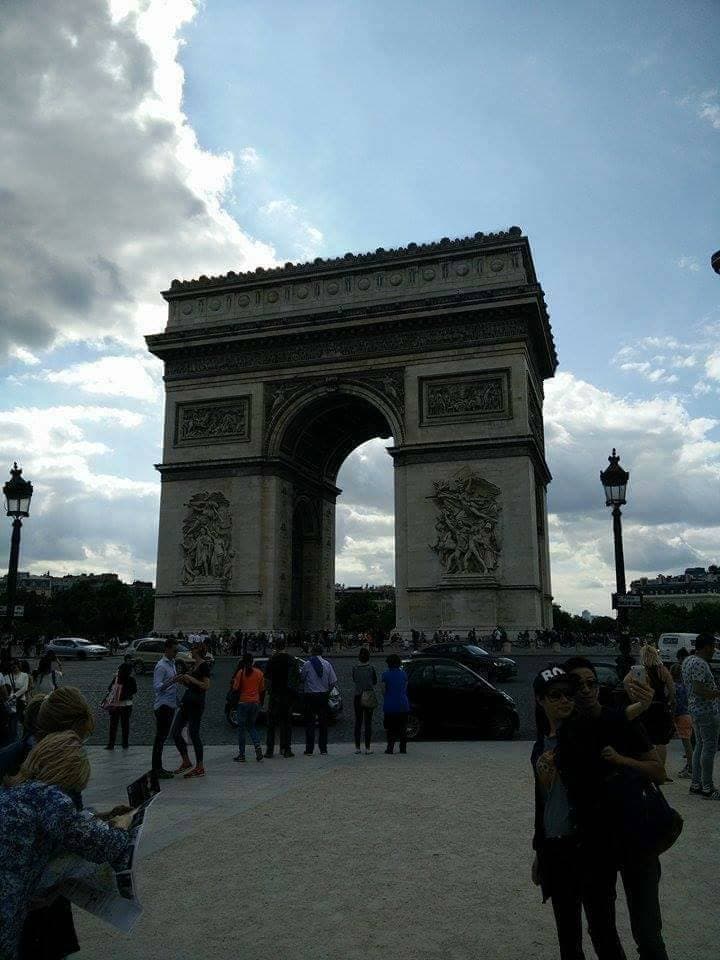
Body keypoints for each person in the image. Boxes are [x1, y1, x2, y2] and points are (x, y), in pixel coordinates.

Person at [558, 656, 669, 960]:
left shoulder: (621, 721)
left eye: (591, 683)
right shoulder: (566, 731)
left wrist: (623, 761)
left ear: (598, 686)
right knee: (602, 931)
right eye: (577, 684)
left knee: (647, 933)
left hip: (634, 834)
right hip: (593, 841)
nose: (585, 689)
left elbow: (659, 772)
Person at [0, 731, 132, 960]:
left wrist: (99, 817)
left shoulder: (16, 790)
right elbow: (108, 846)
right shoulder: (50, 798)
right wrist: (122, 825)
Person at [531, 665, 624, 960]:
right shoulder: (539, 747)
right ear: (540, 700)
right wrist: (540, 850)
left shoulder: (587, 735)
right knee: (568, 939)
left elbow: (612, 721)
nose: (564, 700)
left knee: (604, 933)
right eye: (555, 695)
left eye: (569, 694)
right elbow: (545, 803)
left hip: (591, 848)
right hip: (556, 851)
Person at [623, 643, 675, 775]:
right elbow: (672, 688)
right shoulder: (662, 670)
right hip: (661, 708)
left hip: (645, 708)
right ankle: (661, 770)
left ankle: (648, 767)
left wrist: (633, 698)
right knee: (661, 741)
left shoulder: (640, 670)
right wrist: (669, 700)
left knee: (646, 740)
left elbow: (625, 681)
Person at [681, 632, 720, 800]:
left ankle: (696, 784)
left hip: (694, 709)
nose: (714, 650)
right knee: (709, 748)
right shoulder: (701, 664)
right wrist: (716, 693)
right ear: (706, 647)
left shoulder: (688, 660)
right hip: (706, 711)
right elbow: (698, 688)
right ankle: (707, 787)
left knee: (699, 746)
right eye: (713, 647)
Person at [171, 644, 211, 778]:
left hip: (196, 704)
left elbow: (205, 686)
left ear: (198, 651)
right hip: (186, 702)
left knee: (194, 734)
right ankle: (186, 761)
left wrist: (190, 678)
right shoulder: (194, 665)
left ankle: (200, 767)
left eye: (192, 649)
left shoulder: (204, 665)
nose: (190, 651)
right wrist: (183, 680)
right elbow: (192, 684)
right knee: (175, 732)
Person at [264, 638, 299, 758]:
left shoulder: (272, 660)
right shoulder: (291, 659)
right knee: (287, 723)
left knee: (271, 724)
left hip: (275, 694)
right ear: (285, 646)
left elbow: (267, 680)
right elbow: (296, 679)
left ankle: (269, 750)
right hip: (287, 695)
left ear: (275, 646)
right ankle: (286, 749)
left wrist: (269, 692)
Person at [300, 645, 337, 755]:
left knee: (310, 723)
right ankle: (323, 749)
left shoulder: (307, 664)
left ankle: (309, 749)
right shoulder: (327, 664)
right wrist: (327, 692)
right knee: (323, 723)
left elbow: (302, 678)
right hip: (323, 696)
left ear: (312, 653)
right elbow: (333, 681)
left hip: (310, 696)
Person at [152, 637, 178, 780]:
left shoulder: (172, 663)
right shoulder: (161, 666)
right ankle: (156, 769)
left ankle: (158, 768)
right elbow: (157, 687)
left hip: (171, 704)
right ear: (167, 649)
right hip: (163, 706)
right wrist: (171, 681)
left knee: (161, 738)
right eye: (175, 650)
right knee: (160, 739)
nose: (176, 653)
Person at [232, 653, 265, 763]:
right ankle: (258, 747)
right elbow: (262, 689)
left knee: (241, 730)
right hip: (255, 703)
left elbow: (235, 688)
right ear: (252, 661)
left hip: (243, 702)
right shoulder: (259, 673)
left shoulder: (241, 673)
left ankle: (242, 754)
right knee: (251, 727)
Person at [105, 661, 137, 751]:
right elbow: (135, 690)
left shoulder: (117, 678)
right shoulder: (131, 679)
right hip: (126, 705)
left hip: (115, 704)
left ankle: (111, 744)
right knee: (125, 725)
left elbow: (109, 688)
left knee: (113, 725)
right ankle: (125, 743)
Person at [381, 653, 410, 754]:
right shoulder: (404, 674)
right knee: (403, 728)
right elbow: (405, 689)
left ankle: (390, 748)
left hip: (390, 705)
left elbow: (383, 691)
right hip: (403, 704)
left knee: (390, 728)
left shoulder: (385, 675)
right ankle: (403, 748)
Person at [352, 647, 378, 754]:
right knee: (368, 723)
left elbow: (354, 679)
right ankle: (368, 748)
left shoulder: (355, 668)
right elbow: (375, 681)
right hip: (368, 695)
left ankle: (357, 747)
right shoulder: (371, 668)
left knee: (358, 722)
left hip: (358, 696)